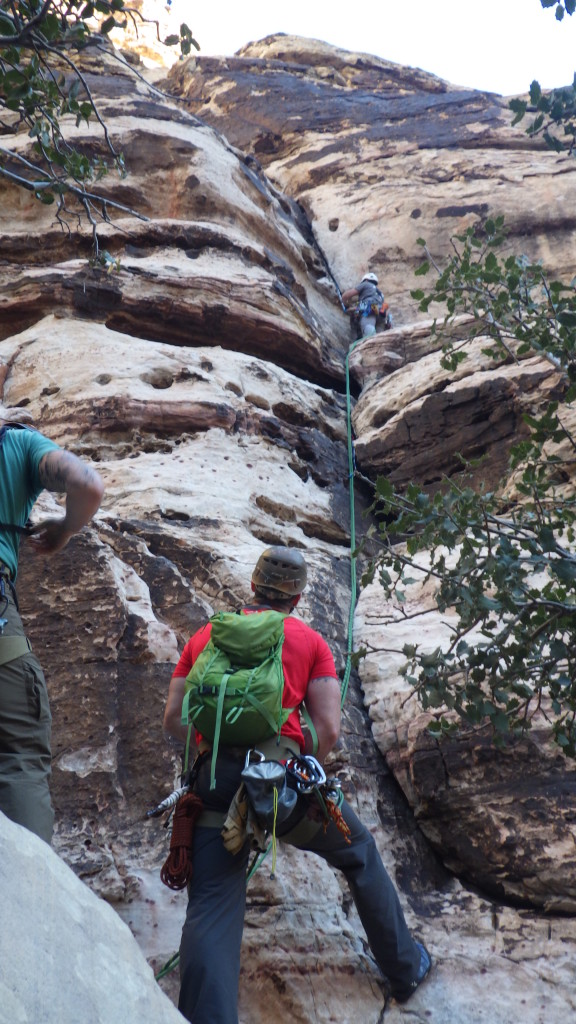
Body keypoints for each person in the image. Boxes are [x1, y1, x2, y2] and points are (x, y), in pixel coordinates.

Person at [163, 545, 431, 1023]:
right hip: (279, 788)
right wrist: (291, 761)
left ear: (252, 586)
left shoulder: (207, 634)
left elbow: (173, 719)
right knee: (359, 851)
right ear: (299, 596)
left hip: (213, 785)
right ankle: (405, 967)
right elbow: (327, 731)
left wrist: (213, 750)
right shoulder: (308, 641)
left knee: (210, 907)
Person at [0, 407, 104, 845]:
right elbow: (86, 484)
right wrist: (64, 528)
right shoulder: (17, 444)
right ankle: (32, 905)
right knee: (18, 753)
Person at [342, 271, 390, 339]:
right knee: (380, 336)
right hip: (381, 313)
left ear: (366, 280)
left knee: (369, 331)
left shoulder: (365, 284)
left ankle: (370, 345)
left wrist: (344, 303)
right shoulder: (380, 293)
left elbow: (346, 296)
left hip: (371, 310)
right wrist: (354, 308)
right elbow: (369, 305)